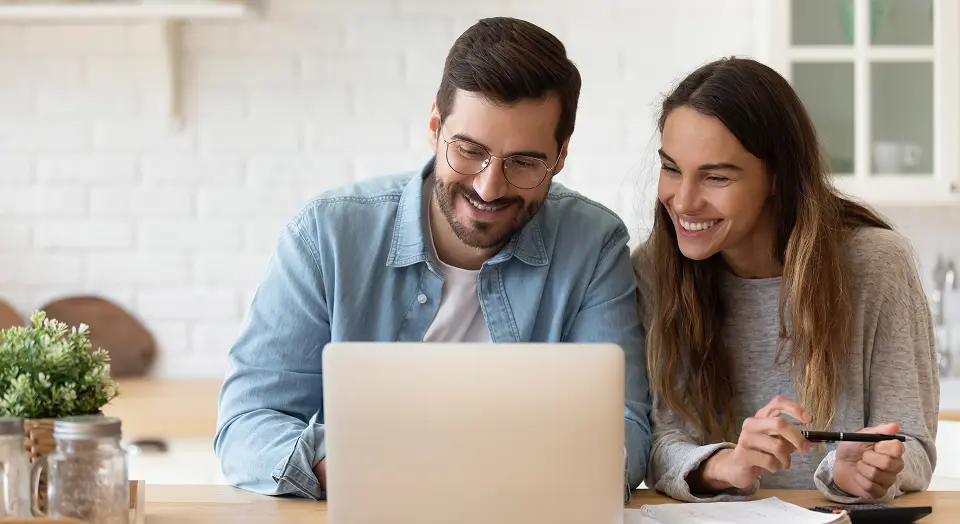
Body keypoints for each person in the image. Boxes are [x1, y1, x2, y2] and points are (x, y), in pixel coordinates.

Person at [214, 17, 652, 501]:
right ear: (434, 128)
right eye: (469, 150)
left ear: (561, 155)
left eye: (524, 162)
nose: (489, 187)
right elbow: (245, 424)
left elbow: (626, 428)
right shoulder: (326, 235)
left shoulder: (593, 245)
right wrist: (345, 465)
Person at [633, 57, 939, 504]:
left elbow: (912, 441)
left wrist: (863, 472)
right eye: (672, 168)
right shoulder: (654, 268)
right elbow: (660, 440)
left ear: (778, 177)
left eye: (716, 177)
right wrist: (729, 464)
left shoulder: (877, 265)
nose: (683, 201)